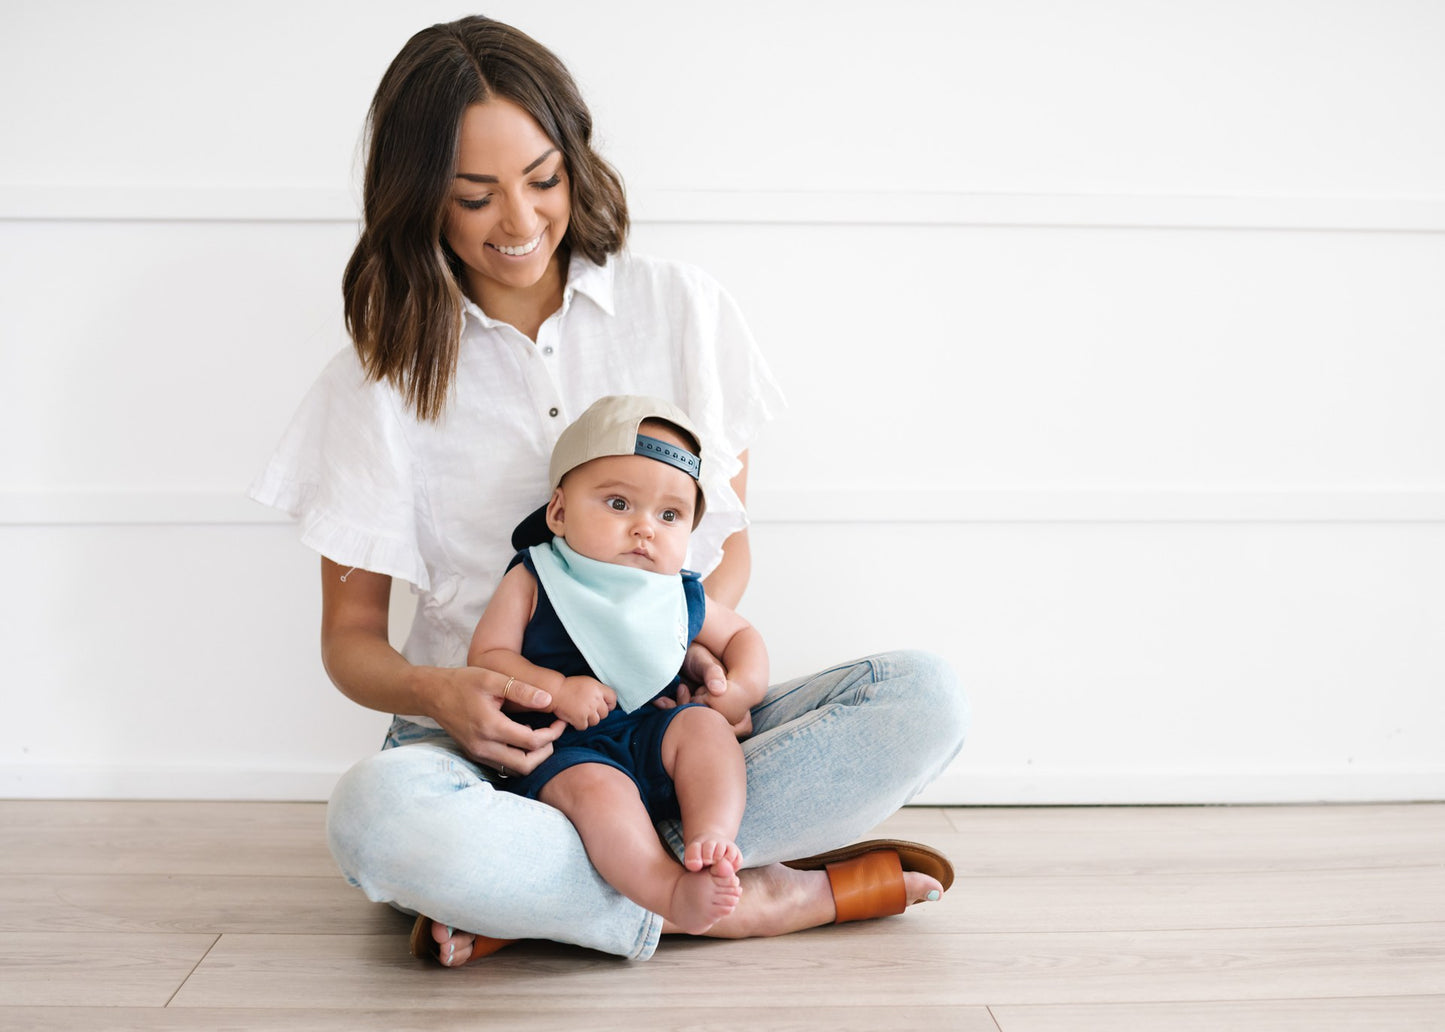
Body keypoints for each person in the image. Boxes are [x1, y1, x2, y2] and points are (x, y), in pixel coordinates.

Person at [249, 14, 969, 966]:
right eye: (474, 196)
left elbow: (727, 542)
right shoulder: (375, 380)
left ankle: (544, 895)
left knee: (923, 699)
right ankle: (741, 900)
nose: (519, 223)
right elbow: (350, 646)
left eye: (542, 179)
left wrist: (712, 663)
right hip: (490, 755)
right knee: (376, 823)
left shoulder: (684, 309)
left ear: (574, 162)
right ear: (419, 199)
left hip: (669, 728)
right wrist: (443, 692)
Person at [476, 395, 764, 934]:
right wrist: (556, 689)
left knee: (703, 728)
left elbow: (743, 635)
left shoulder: (674, 593)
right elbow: (488, 661)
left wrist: (739, 692)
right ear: (559, 512)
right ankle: (666, 888)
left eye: (670, 515)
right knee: (599, 793)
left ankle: (713, 837)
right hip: (569, 750)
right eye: (618, 503)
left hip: (655, 733)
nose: (645, 528)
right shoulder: (537, 576)